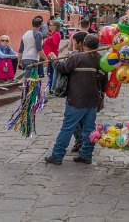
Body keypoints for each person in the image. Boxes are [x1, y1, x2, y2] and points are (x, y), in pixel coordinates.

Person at [43, 34, 105, 166]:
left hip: (77, 100)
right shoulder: (101, 60)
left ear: (84, 44)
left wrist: (53, 59)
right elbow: (104, 82)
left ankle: (57, 155)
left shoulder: (77, 57)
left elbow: (62, 68)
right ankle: (86, 155)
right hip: (93, 100)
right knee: (89, 129)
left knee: (67, 128)